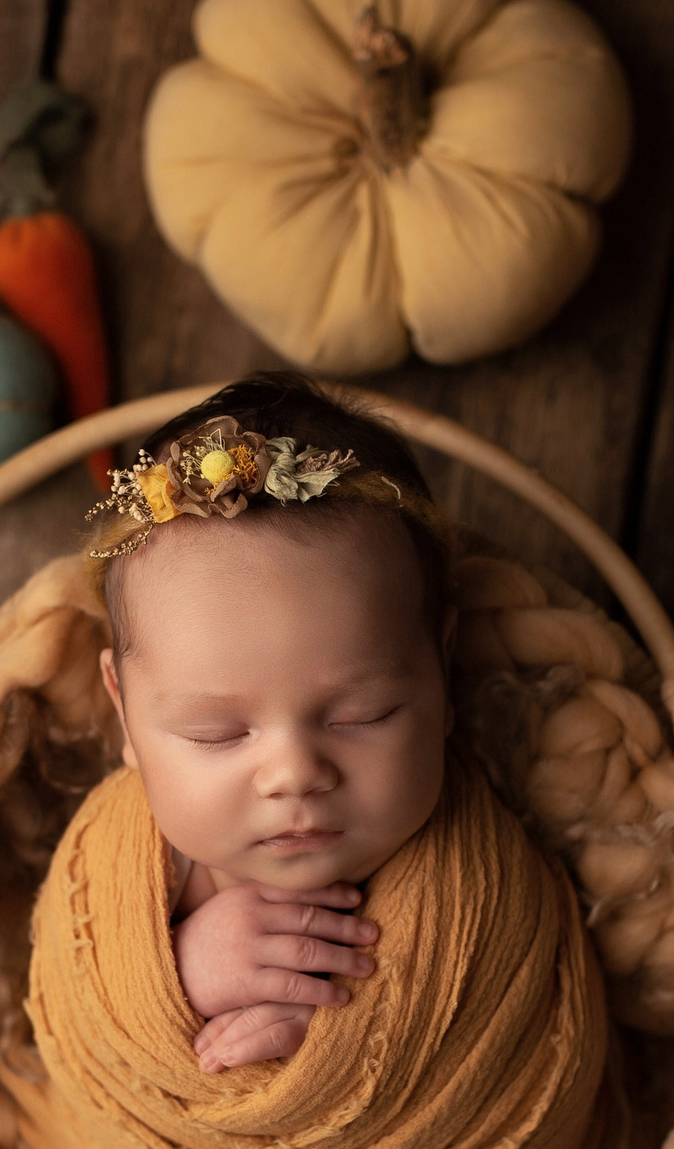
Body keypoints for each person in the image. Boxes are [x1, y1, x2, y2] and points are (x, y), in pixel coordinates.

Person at [84, 373, 458, 1073]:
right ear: (124, 712)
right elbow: (74, 1012)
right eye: (216, 733)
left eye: (361, 713)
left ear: (443, 668)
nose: (295, 773)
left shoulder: (474, 860)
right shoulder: (127, 869)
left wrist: (349, 1041)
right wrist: (176, 976)